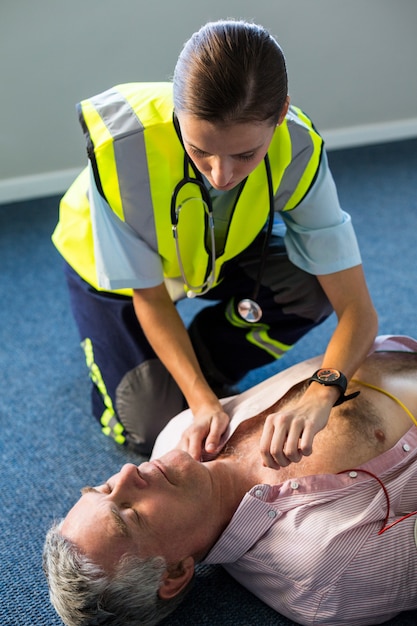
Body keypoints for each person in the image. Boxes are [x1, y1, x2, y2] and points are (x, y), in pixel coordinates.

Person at [52, 19, 377, 459]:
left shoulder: (299, 148)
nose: (221, 175)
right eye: (200, 149)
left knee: (310, 287)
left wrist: (323, 391)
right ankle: (153, 369)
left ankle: (202, 358)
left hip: (214, 257)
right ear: (177, 116)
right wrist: (201, 402)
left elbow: (356, 308)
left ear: (280, 114)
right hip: (117, 278)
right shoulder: (120, 148)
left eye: (245, 154)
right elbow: (149, 296)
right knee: (152, 427)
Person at [43, 335, 417, 626]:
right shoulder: (327, 576)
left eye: (105, 488)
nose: (128, 473)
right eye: (129, 514)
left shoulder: (177, 435)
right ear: (174, 573)